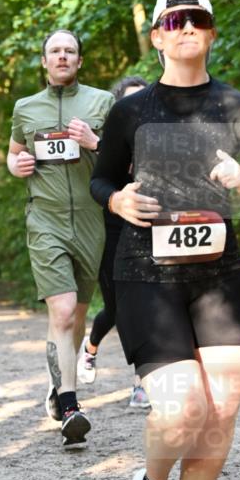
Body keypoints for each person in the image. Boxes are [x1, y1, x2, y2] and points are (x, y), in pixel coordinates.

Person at [90, 0, 240, 480]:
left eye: (196, 19)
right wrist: (119, 200)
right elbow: (100, 182)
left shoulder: (239, 109)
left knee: (222, 408)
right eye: (172, 20)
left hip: (219, 278)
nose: (185, 28)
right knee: (181, 410)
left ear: (210, 33)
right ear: (156, 36)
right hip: (145, 276)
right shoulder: (130, 110)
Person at [8, 29, 113, 447]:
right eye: (55, 51)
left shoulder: (102, 102)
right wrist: (16, 165)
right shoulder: (25, 108)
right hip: (45, 219)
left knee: (78, 315)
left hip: (91, 219)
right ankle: (70, 405)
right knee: (64, 311)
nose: (63, 57)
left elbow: (124, 160)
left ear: (80, 61)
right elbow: (14, 152)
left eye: (70, 51)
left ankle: (58, 386)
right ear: (45, 60)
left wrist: (94, 142)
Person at [76, 77, 152, 410]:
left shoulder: (160, 137)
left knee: (150, 306)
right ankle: (91, 346)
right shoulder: (111, 141)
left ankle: (142, 381)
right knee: (119, 308)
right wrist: (96, 144)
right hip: (112, 230)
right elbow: (103, 177)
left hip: (153, 229)